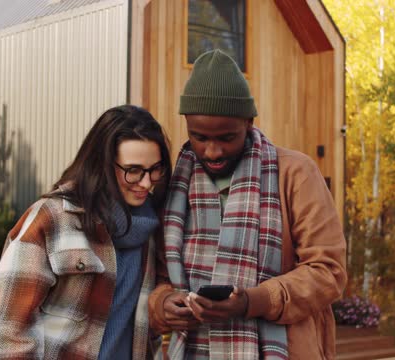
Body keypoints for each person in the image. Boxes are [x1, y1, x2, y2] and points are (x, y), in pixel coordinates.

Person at [148, 50, 347, 359]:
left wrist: (252, 302)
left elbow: (328, 271)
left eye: (227, 137)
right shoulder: (174, 185)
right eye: (199, 137)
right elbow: (159, 277)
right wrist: (162, 304)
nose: (212, 151)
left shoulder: (296, 173)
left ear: (249, 122)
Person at [0, 105, 171, 359]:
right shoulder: (53, 219)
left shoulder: (150, 230)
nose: (146, 182)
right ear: (102, 165)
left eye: (155, 169)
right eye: (133, 171)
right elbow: (4, 338)